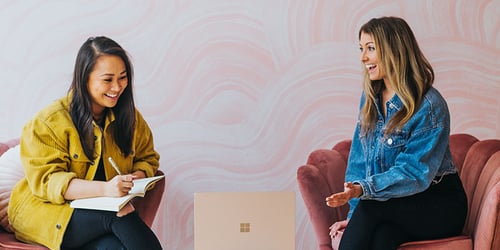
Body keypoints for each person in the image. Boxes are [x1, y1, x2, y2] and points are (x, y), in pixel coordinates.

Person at [325, 16, 468, 250]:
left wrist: (363, 192)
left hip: (439, 205)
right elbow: (360, 161)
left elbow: (413, 172)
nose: (363, 58)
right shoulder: (370, 99)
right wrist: (352, 217)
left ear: (394, 50)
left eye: (371, 48)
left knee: (372, 206)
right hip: (397, 206)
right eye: (361, 49)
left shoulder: (429, 105)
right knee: (383, 237)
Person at [8, 36, 163, 249]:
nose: (117, 87)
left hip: (101, 215)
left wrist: (137, 176)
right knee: (120, 215)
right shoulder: (49, 121)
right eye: (107, 80)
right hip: (48, 213)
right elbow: (49, 182)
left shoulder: (130, 118)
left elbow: (148, 158)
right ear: (84, 79)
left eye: (123, 77)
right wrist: (107, 190)